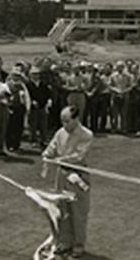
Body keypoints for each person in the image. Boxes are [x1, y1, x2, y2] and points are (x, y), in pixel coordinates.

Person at [42, 106, 93, 259]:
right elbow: (53, 146)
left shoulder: (86, 135)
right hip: (62, 175)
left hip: (78, 175)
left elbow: (79, 155)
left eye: (67, 121)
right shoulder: (60, 132)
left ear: (76, 119)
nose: (64, 124)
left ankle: (78, 245)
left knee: (78, 212)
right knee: (62, 210)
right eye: (62, 121)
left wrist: (60, 159)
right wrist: (46, 154)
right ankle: (65, 242)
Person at [26, 66, 52, 148]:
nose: (36, 76)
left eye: (37, 74)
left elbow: (48, 94)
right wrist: (32, 101)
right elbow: (27, 96)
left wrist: (48, 102)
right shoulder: (28, 85)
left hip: (43, 107)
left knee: (43, 125)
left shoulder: (43, 84)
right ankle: (33, 140)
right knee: (33, 125)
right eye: (34, 74)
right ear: (30, 75)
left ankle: (43, 140)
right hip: (33, 108)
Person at [109, 61, 133, 134]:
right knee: (114, 113)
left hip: (125, 96)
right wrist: (116, 90)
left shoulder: (128, 76)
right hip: (115, 95)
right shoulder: (113, 76)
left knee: (124, 113)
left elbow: (131, 86)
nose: (120, 68)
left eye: (121, 67)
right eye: (118, 66)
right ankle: (114, 128)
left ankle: (124, 128)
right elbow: (109, 85)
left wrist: (124, 91)